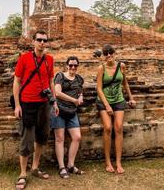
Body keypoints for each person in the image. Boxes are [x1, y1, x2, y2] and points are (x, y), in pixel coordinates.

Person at [12, 30, 59, 190]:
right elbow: (17, 82)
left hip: (44, 104)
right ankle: (23, 173)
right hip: (27, 104)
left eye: (44, 40)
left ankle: (35, 167)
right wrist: (17, 105)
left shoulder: (49, 60)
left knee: (42, 137)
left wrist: (54, 102)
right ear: (33, 42)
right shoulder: (24, 58)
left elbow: (51, 81)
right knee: (26, 139)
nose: (41, 43)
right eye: (39, 40)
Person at [95, 44, 136, 174]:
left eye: (110, 53)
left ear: (114, 53)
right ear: (103, 56)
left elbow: (125, 83)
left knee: (118, 128)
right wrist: (106, 105)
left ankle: (118, 162)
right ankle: (107, 161)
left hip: (118, 100)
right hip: (104, 100)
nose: (108, 56)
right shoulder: (101, 68)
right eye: (106, 54)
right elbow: (99, 88)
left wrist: (131, 97)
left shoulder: (121, 66)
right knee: (108, 128)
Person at [51, 56, 85, 178]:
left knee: (77, 137)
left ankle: (70, 165)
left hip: (72, 112)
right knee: (59, 138)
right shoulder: (60, 76)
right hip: (58, 109)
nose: (73, 67)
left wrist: (80, 98)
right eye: (70, 65)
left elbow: (80, 92)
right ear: (67, 65)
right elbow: (57, 93)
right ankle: (61, 167)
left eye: (75, 65)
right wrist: (74, 100)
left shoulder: (79, 79)